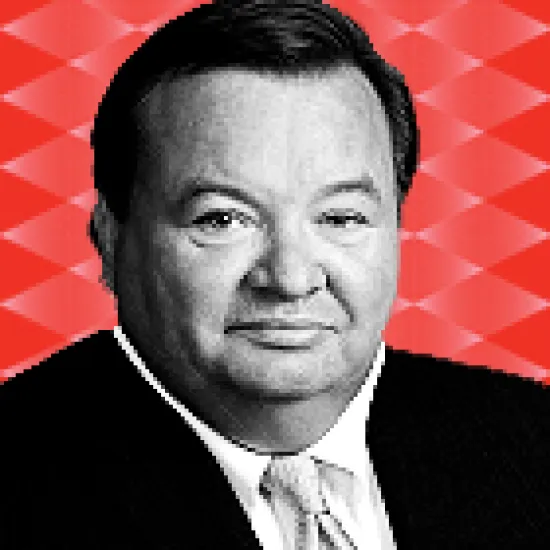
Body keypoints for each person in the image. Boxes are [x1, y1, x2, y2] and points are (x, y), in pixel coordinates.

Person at [1, 1, 549, 548]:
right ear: (110, 238)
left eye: (341, 218)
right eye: (222, 219)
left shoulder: (529, 435)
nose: (290, 278)